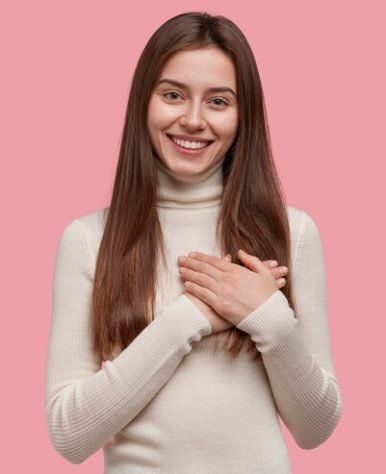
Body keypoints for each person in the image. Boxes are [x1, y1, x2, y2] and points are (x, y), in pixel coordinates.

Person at [45, 11, 343, 473]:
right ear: (143, 101)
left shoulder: (292, 232)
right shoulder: (89, 240)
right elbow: (69, 435)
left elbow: (315, 429)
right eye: (173, 95)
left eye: (219, 101)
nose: (193, 119)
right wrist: (194, 315)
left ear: (244, 116)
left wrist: (269, 318)